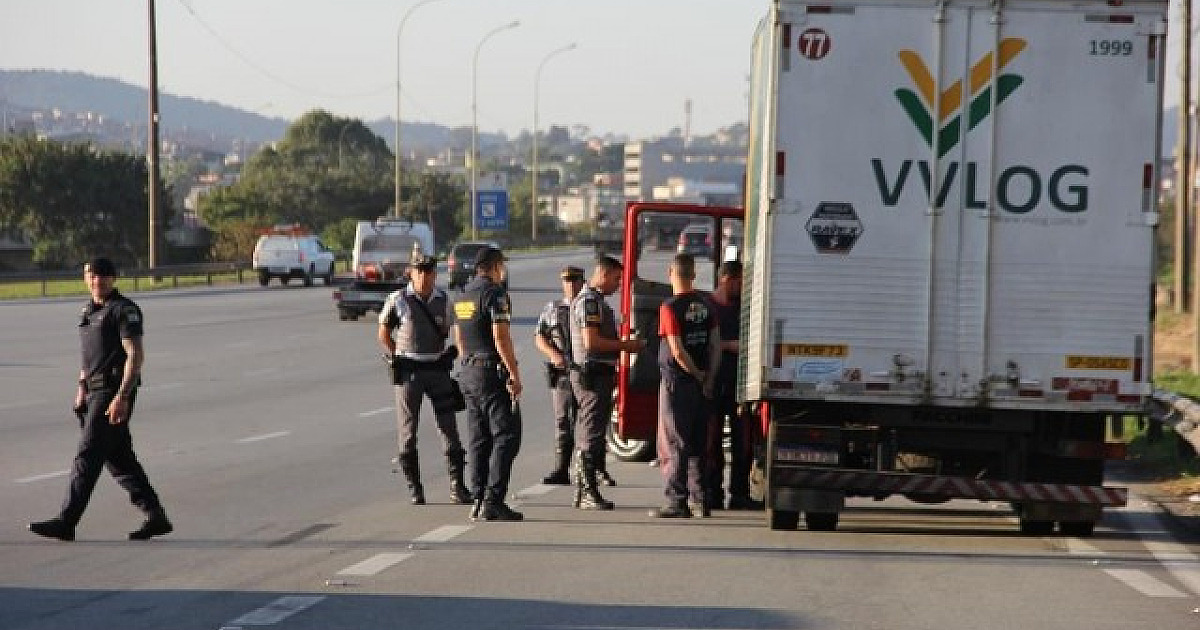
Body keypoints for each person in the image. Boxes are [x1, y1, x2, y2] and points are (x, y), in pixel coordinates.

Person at [29, 257, 172, 541]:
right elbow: (90, 356)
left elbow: (135, 355)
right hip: (93, 391)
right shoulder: (88, 311)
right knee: (119, 459)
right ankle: (155, 515)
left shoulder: (124, 310)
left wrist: (122, 396)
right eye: (93, 276)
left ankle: (66, 521)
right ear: (85, 279)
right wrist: (81, 386)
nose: (98, 281)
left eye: (104, 276)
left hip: (112, 392)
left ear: (114, 278)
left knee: (88, 454)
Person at [378, 252, 471, 506]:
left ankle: (457, 486)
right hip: (410, 373)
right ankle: (415, 488)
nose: (424, 277)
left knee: (449, 428)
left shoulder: (443, 300)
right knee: (408, 431)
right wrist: (396, 355)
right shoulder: (399, 300)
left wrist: (461, 355)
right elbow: (383, 332)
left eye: (429, 272)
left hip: (437, 370)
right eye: (419, 272)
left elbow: (456, 332)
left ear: (434, 274)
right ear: (411, 273)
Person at [569, 255, 647, 510]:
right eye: (616, 279)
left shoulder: (596, 302)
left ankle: (584, 491)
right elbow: (592, 343)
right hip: (592, 375)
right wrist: (627, 345)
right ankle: (587, 491)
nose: (617, 285)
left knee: (590, 432)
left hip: (597, 374)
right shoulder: (590, 302)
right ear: (603, 275)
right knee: (590, 434)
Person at [453, 246, 524, 521]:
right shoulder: (494, 294)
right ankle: (494, 499)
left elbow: (459, 340)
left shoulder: (462, 296)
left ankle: (478, 496)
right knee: (506, 435)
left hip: (469, 371)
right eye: (501, 266)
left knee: (478, 439)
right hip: (490, 374)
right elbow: (501, 338)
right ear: (495, 267)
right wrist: (514, 374)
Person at [650, 253, 721, 518]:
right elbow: (715, 346)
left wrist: (695, 374)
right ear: (693, 275)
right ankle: (700, 500)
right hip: (702, 385)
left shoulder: (669, 308)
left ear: (671, 272)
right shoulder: (707, 306)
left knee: (674, 442)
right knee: (698, 442)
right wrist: (708, 378)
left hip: (677, 383)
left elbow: (677, 351)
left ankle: (676, 501)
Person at [704, 260, 761, 510]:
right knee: (711, 442)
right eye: (740, 281)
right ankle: (711, 493)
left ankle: (739, 494)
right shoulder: (707, 307)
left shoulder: (745, 308)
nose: (743, 287)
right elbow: (701, 343)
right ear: (727, 279)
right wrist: (729, 346)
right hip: (715, 384)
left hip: (740, 386)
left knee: (743, 443)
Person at [534, 265, 586, 485]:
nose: (571, 285)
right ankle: (561, 469)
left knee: (588, 422)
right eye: (567, 281)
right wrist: (553, 354)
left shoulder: (589, 305)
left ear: (582, 282)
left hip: (585, 373)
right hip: (563, 373)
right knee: (563, 420)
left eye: (575, 280)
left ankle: (592, 469)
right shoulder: (552, 309)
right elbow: (539, 337)